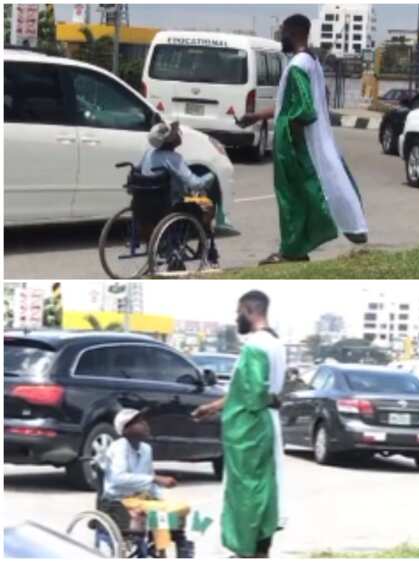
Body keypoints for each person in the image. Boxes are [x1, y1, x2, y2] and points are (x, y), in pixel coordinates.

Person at [237, 14, 368, 265]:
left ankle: (292, 251)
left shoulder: (297, 65)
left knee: (292, 197)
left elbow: (304, 109)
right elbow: (288, 105)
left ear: (295, 32)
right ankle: (297, 247)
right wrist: (255, 116)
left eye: (283, 32)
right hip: (309, 141)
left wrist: (291, 139)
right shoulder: (312, 63)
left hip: (295, 145)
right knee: (306, 194)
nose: (281, 36)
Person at [193, 291, 287, 557]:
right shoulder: (276, 343)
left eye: (238, 312)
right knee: (266, 486)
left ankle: (247, 547)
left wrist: (231, 418)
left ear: (249, 310)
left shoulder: (255, 346)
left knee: (247, 488)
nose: (236, 318)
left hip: (251, 429)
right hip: (268, 422)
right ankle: (260, 545)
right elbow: (248, 391)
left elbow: (252, 393)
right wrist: (212, 407)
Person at [100, 408, 194, 557]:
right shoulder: (118, 448)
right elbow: (118, 478)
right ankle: (159, 548)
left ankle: (170, 545)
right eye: (139, 422)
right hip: (120, 500)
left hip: (142, 498)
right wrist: (155, 479)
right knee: (158, 512)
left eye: (144, 421)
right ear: (126, 429)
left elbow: (149, 479)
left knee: (179, 508)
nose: (145, 425)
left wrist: (160, 496)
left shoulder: (146, 449)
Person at [143, 121, 221, 263]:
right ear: (170, 140)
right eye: (176, 133)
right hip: (172, 203)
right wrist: (211, 175)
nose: (179, 135)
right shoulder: (174, 158)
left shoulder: (149, 154)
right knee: (208, 204)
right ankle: (204, 244)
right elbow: (195, 183)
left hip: (148, 200)